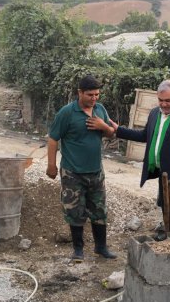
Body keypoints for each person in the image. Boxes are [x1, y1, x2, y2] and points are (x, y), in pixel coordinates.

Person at [111, 80, 170, 251]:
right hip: (164, 178)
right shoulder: (155, 113)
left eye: (168, 101)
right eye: (160, 100)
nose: (163, 104)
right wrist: (118, 130)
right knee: (169, 219)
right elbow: (144, 135)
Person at [46, 75, 117, 262]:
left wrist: (103, 126)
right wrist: (51, 165)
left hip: (96, 171)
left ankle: (101, 248)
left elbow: (111, 134)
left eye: (97, 95)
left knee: (99, 211)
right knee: (75, 211)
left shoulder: (100, 110)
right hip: (72, 173)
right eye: (90, 95)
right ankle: (78, 250)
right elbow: (53, 139)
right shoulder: (67, 113)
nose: (94, 99)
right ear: (80, 93)